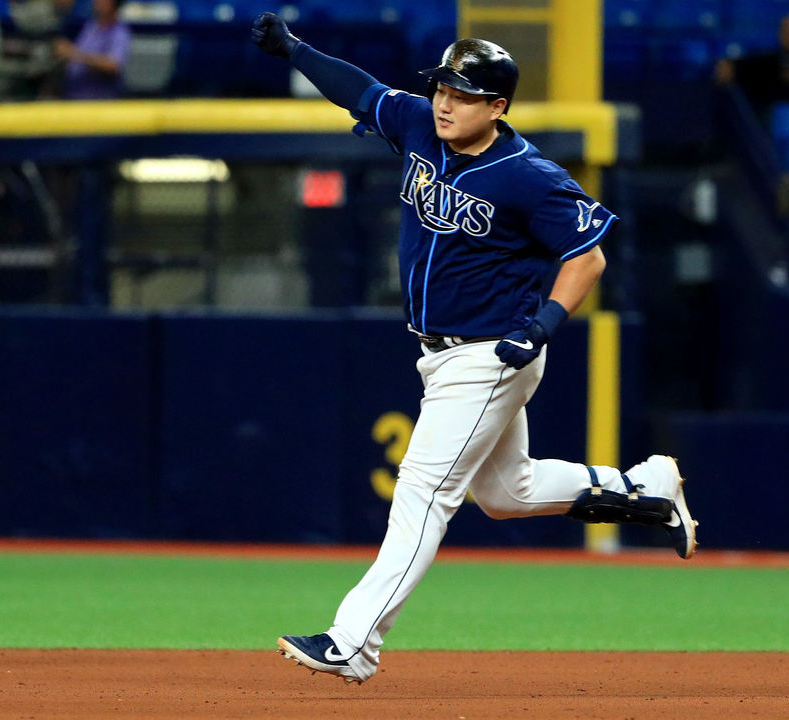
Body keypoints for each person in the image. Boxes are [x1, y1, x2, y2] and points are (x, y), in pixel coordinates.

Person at [250, 13, 699, 684]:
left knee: (424, 491)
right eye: (440, 89)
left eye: (461, 94)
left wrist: (542, 325)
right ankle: (645, 487)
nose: (443, 103)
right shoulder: (418, 128)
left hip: (493, 352)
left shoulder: (528, 175)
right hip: (439, 355)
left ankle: (354, 641)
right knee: (506, 492)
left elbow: (589, 258)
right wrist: (294, 49)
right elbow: (360, 90)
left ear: (498, 105)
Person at [715, 12, 789, 116]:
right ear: (780, 33)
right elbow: (735, 65)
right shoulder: (767, 61)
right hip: (769, 120)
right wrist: (727, 65)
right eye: (788, 32)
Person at [53, 0, 130, 100]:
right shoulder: (91, 27)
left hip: (98, 100)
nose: (98, 3)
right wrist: (65, 49)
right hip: (73, 95)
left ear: (114, 5)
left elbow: (113, 65)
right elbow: (76, 53)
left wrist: (74, 54)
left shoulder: (119, 33)